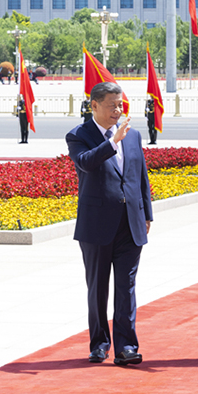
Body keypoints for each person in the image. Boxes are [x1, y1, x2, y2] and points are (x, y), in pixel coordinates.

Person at [66, 81, 153, 366]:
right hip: (96, 225)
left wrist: (146, 213)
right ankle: (99, 344)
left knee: (126, 287)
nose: (117, 110)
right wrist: (112, 142)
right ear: (94, 105)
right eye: (111, 105)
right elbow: (86, 163)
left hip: (130, 223)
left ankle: (126, 347)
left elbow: (140, 175)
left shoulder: (132, 134)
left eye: (120, 105)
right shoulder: (79, 135)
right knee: (98, 287)